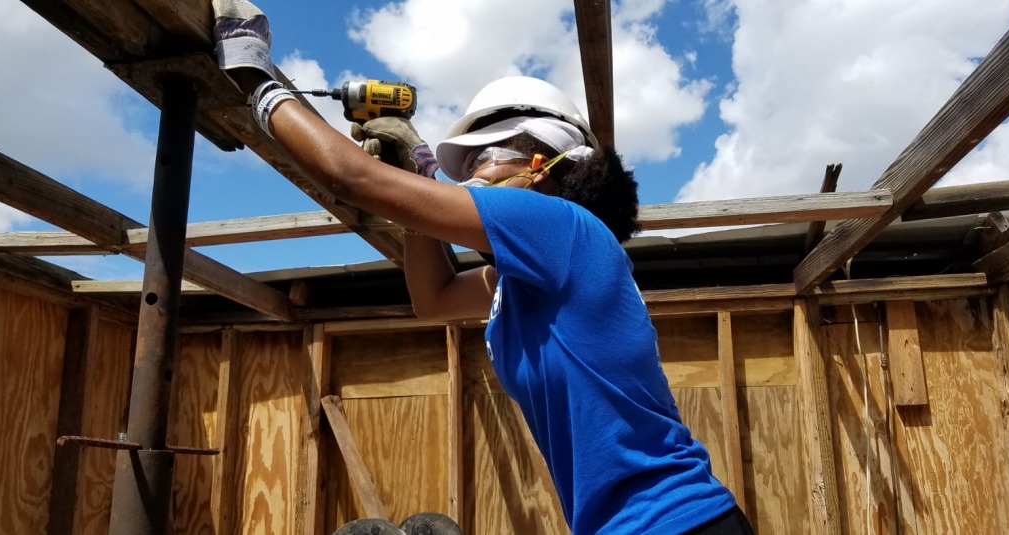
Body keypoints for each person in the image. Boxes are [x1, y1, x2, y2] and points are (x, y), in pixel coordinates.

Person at [211, 2, 753, 533]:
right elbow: (435, 298)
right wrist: (416, 188)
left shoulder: (563, 226)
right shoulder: (533, 279)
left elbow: (352, 180)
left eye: (481, 162)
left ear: (540, 166)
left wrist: (255, 75)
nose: (470, 177)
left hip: (674, 520)